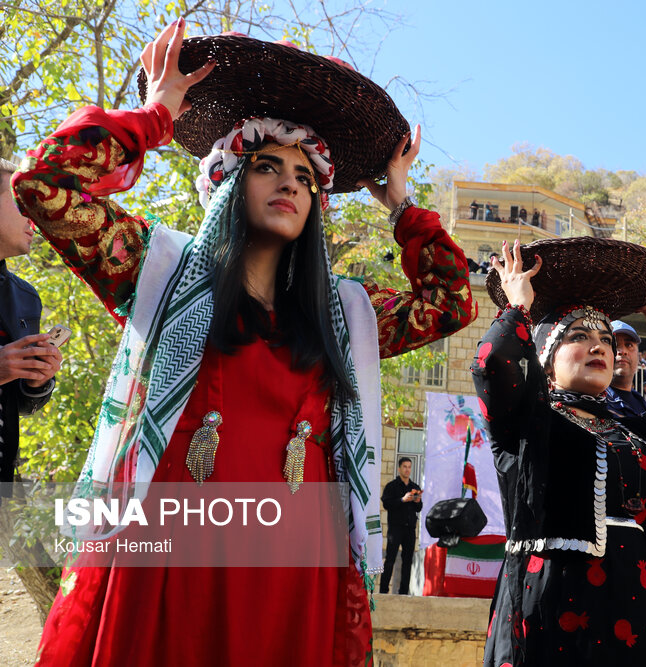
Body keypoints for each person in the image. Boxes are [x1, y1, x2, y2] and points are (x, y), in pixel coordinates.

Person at [14, 24, 476, 666]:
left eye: (304, 176)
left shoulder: (344, 316)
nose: (290, 183)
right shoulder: (159, 272)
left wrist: (400, 204)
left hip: (296, 565)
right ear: (229, 183)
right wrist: (156, 115)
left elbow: (451, 302)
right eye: (267, 166)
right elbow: (44, 183)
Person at [474, 238, 646, 666]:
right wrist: (518, 306)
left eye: (605, 340)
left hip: (638, 613)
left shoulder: (633, 433)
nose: (599, 347)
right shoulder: (526, 422)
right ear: (546, 359)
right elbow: (491, 362)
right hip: (555, 610)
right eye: (579, 336)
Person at [0, 157, 61, 489]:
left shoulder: (25, 297)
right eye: (21, 204)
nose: (33, 219)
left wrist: (38, 381)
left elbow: (22, 404)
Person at [605, 320, 646, 417]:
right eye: (614, 345)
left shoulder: (642, 403)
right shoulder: (594, 400)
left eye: (629, 345)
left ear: (638, 357)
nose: (622, 351)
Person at [379, 457, 423, 594]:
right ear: (399, 469)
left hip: (410, 529)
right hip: (395, 528)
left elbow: (419, 508)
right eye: (405, 467)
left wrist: (417, 501)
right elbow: (386, 504)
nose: (407, 469)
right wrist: (402, 500)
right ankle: (383, 591)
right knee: (390, 559)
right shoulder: (391, 486)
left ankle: (403, 592)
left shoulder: (415, 487)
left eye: (409, 467)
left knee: (407, 560)